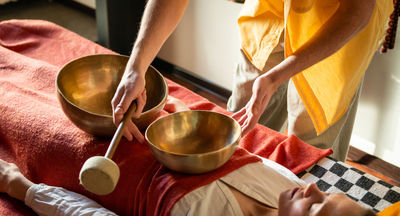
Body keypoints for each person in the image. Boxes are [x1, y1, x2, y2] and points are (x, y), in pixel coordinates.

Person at [110, 0, 392, 162]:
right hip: (272, 10)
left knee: (308, 154)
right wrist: (138, 66)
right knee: (238, 130)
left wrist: (277, 76)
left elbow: (357, 13)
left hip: (338, 19)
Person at [0, 156, 394, 216]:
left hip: (94, 167)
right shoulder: (286, 184)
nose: (310, 191)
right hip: (133, 120)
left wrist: (20, 187)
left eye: (314, 209)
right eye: (324, 193)